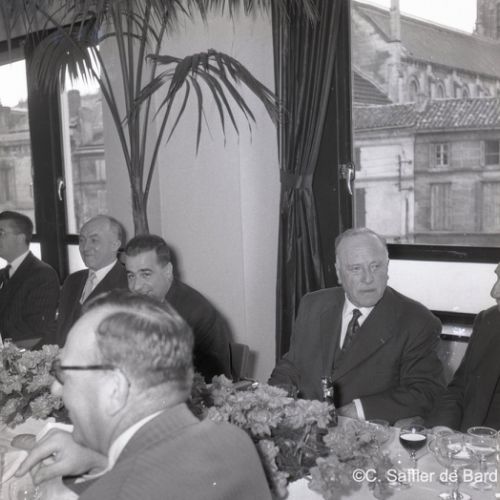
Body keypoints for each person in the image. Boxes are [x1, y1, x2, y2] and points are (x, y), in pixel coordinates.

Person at [16, 290, 272, 500]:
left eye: (64, 373)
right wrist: (102, 460)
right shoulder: (233, 440)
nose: (55, 388)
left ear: (115, 388)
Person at [269, 227, 444, 424]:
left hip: (365, 432)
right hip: (302, 426)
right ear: (338, 273)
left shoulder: (417, 320)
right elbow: (292, 365)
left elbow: (425, 392)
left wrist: (356, 410)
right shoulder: (313, 304)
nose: (368, 278)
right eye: (356, 269)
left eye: (375, 266)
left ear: (387, 268)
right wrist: (273, 400)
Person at [124, 235, 231, 382]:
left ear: (168, 271)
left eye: (146, 274)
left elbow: (212, 384)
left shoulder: (195, 313)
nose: (136, 286)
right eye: (131, 276)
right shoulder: (145, 304)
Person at [427, 263, 500, 431]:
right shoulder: (488, 320)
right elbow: (459, 388)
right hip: (473, 439)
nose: (494, 292)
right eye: (497, 277)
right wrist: (443, 428)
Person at [56, 215, 128, 346]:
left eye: (94, 240)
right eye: (82, 240)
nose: (85, 247)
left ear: (115, 245)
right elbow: (59, 331)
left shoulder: (127, 284)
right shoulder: (72, 281)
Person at [0, 211, 59, 348]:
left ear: (20, 238)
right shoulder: (3, 274)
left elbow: (36, 328)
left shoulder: (42, 274)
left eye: (1, 233)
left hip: (22, 354)